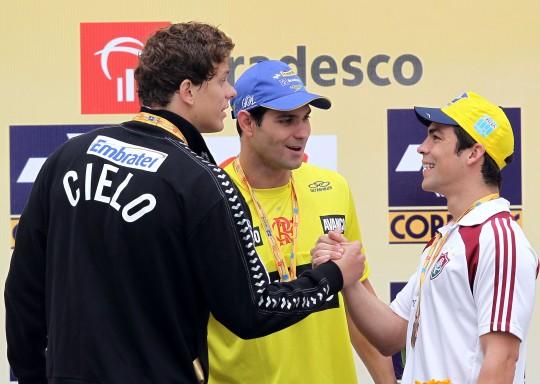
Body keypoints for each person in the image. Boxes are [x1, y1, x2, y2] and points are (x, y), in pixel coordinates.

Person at [4, 22, 366, 384]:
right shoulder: (203, 180)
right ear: (188, 90)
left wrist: (33, 377)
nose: (231, 92)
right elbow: (253, 310)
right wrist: (331, 277)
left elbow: (22, 293)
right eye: (223, 79)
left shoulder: (68, 156)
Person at [312, 91, 539, 383]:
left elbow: (502, 360)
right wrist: (347, 278)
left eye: (436, 137)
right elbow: (390, 334)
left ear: (473, 153)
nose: (421, 148)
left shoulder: (499, 239)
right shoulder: (449, 238)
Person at [206, 60, 396, 383]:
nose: (302, 132)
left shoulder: (333, 188)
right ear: (247, 123)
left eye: (306, 118)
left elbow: (355, 304)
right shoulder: (211, 199)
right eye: (286, 120)